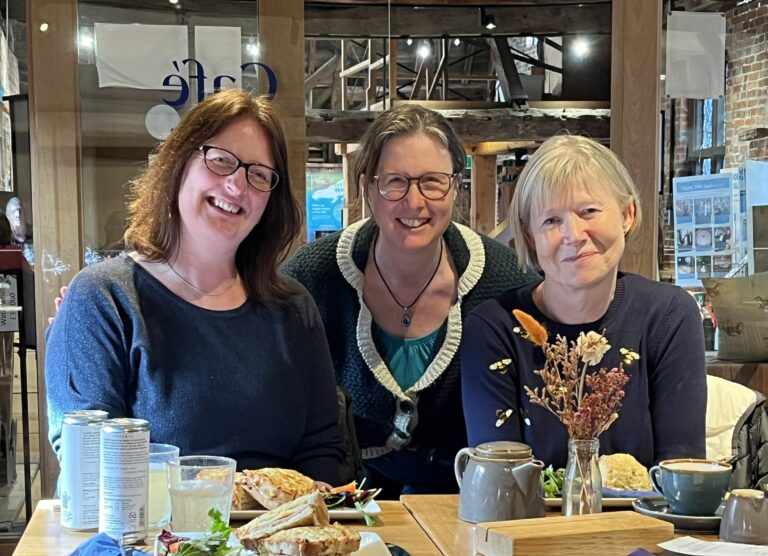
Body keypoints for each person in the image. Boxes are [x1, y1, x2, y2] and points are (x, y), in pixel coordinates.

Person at [46, 89, 344, 482]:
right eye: (221, 161)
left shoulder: (292, 307)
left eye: (258, 174)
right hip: (154, 537)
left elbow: (321, 449)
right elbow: (93, 469)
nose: (237, 186)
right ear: (179, 163)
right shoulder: (104, 299)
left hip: (277, 537)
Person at [282, 105, 535, 496]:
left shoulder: (503, 279)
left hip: (465, 497)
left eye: (432, 181)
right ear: (367, 187)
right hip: (341, 494)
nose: (414, 202)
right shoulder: (314, 276)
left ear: (454, 187)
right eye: (395, 182)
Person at [461, 135, 707, 470]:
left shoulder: (667, 316)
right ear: (531, 237)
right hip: (526, 522)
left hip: (640, 521)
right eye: (551, 220)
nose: (573, 235)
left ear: (627, 214)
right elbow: (499, 479)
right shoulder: (495, 328)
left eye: (588, 211)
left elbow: (683, 472)